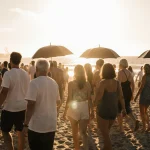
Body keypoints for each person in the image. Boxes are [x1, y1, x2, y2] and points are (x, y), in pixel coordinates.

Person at [23, 59, 60, 150]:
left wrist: (26, 124)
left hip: (37, 125)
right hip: (51, 123)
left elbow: (31, 104)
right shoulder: (54, 83)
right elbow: (58, 102)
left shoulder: (34, 83)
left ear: (36, 69)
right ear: (48, 70)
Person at [0, 52, 30, 150]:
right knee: (20, 132)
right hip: (22, 107)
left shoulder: (8, 74)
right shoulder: (26, 74)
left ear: (10, 60)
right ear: (20, 61)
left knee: (5, 131)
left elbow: (4, 92)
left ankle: (11, 148)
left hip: (9, 108)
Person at [95, 63, 126, 150]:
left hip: (103, 110)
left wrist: (93, 104)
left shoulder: (103, 82)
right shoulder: (117, 82)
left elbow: (99, 97)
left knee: (105, 135)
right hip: (113, 110)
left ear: (103, 71)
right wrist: (124, 109)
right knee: (106, 132)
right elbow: (121, 96)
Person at [63, 65, 93, 150]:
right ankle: (86, 147)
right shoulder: (87, 84)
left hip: (74, 107)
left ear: (75, 73)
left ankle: (77, 148)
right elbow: (89, 99)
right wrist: (92, 111)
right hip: (84, 107)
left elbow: (69, 98)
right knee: (83, 132)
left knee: (75, 132)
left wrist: (65, 111)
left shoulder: (71, 84)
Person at [117, 59, 139, 132]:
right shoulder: (129, 72)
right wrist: (132, 93)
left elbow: (119, 84)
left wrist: (118, 93)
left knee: (119, 109)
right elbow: (133, 84)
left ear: (121, 64)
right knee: (126, 107)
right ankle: (134, 120)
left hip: (122, 92)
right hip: (128, 92)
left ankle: (121, 128)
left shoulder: (120, 72)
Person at [134, 64, 150, 131]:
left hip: (144, 96)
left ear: (144, 69)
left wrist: (136, 96)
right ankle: (148, 126)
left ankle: (144, 127)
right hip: (149, 96)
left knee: (142, 112)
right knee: (145, 111)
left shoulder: (144, 77)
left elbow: (141, 88)